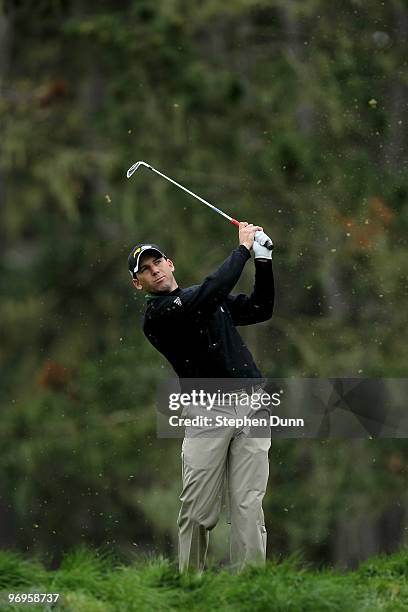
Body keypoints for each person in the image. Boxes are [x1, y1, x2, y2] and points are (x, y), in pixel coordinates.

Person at [128, 222, 275, 572]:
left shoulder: (207, 298)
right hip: (207, 412)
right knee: (198, 509)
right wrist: (242, 250)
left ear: (170, 263)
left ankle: (251, 586)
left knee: (248, 504)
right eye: (145, 271)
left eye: (157, 262)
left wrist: (264, 260)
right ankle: (190, 585)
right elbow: (209, 293)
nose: (155, 271)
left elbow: (260, 309)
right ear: (139, 284)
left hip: (252, 403)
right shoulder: (159, 316)